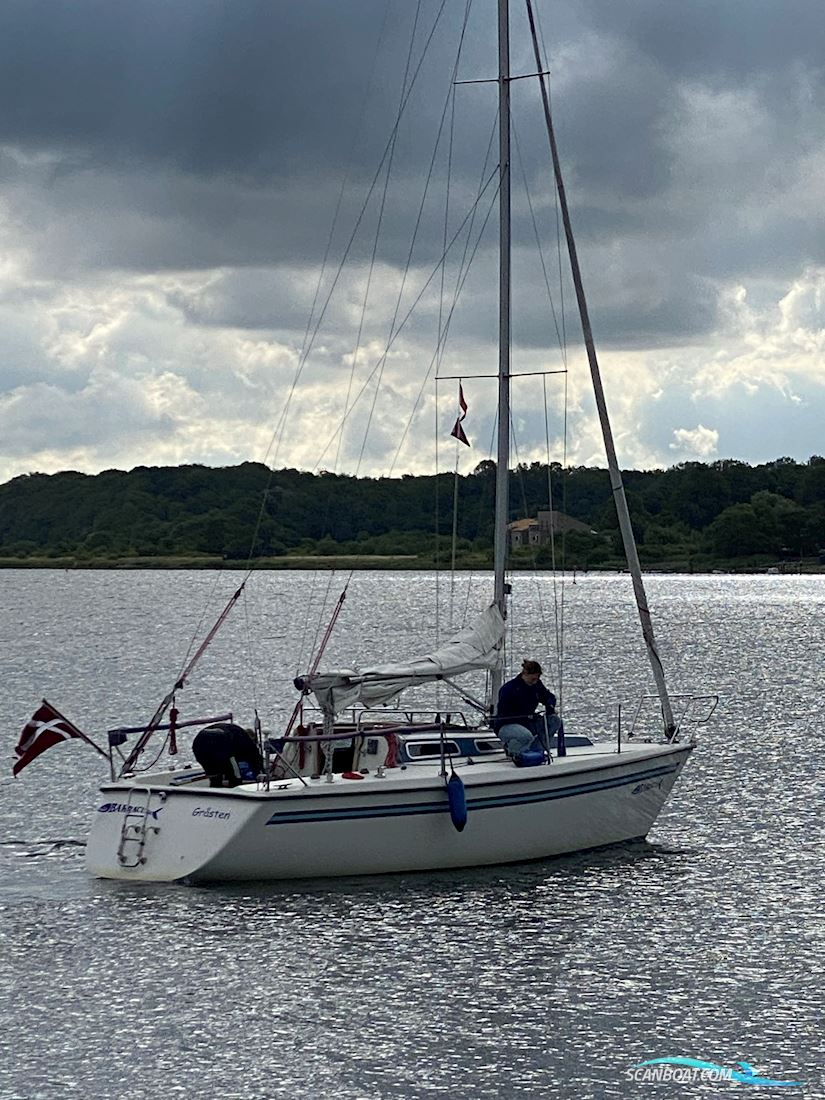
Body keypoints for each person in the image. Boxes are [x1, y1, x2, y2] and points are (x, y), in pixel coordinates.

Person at [493, 659, 561, 761]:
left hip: (528, 722)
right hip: (507, 724)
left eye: (537, 678)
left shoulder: (537, 685)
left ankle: (537, 751)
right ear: (525, 674)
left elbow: (548, 697)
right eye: (533, 679)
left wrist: (550, 707)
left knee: (555, 721)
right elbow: (505, 713)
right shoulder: (509, 689)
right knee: (526, 736)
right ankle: (513, 751)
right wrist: (527, 716)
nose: (535, 681)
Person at [192, 721, 263, 787]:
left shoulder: (235, 731)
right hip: (220, 740)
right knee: (235, 778)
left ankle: (215, 786)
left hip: (199, 743)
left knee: (214, 775)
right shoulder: (245, 739)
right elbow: (254, 756)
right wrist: (260, 772)